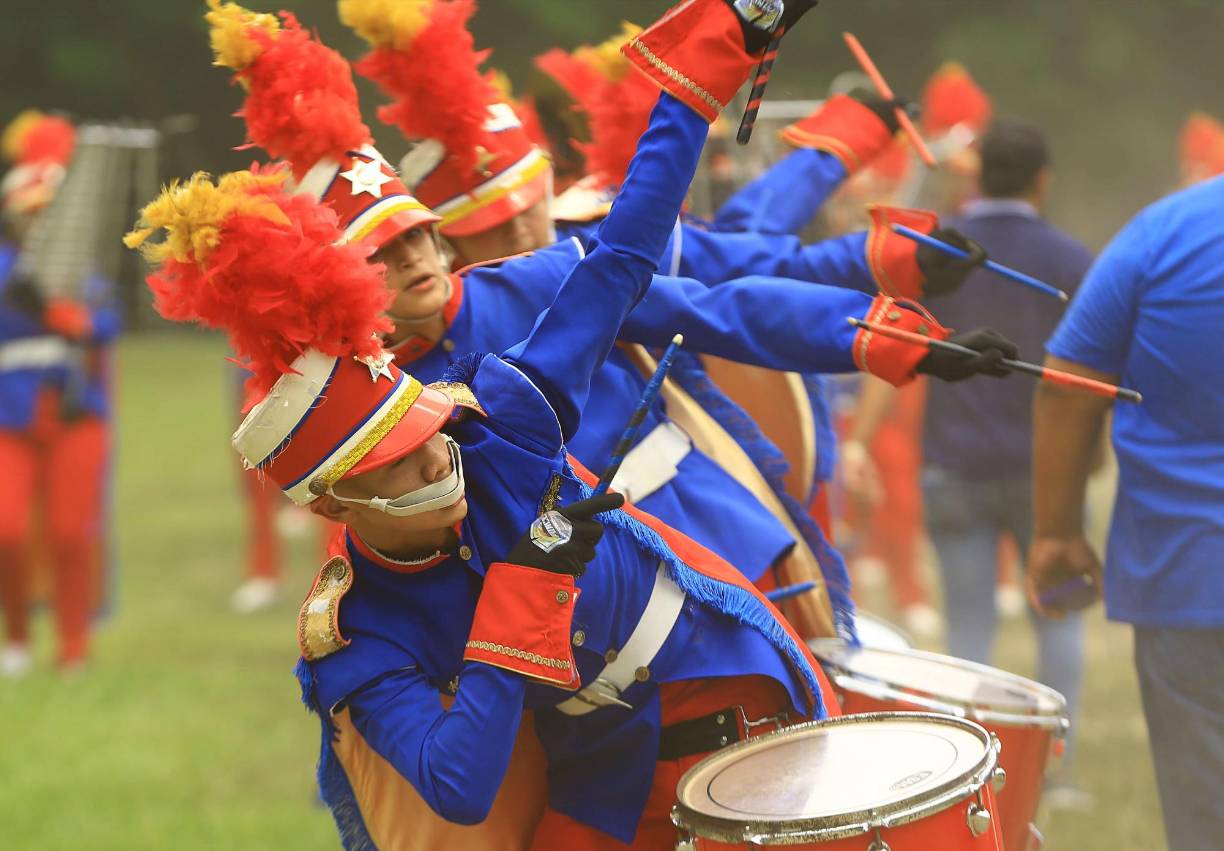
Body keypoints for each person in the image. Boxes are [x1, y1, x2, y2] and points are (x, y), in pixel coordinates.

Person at [135, 4, 1018, 848]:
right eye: (385, 254)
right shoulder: (361, 536)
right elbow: (454, 761)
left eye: (418, 239)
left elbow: (687, 273)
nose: (437, 449)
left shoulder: (504, 383)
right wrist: (525, 588)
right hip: (588, 730)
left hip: (706, 588)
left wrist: (870, 321)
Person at [1030, 172, 1224, 851]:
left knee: (1207, 816)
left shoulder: (1163, 232)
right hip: (1183, 587)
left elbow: (1067, 387)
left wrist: (1056, 533)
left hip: (1189, 582)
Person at [920, 120, 1093, 793]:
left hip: (952, 463)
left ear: (976, 173)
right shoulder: (1071, 260)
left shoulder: (938, 253)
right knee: (1062, 614)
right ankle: (1057, 776)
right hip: (1048, 472)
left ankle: (974, 777)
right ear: (1042, 180)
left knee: (967, 625)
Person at [0, 111, 120, 675]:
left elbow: (105, 322)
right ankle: (18, 636)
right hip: (11, 415)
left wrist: (68, 317)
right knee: (8, 531)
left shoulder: (77, 267)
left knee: (73, 532)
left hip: (74, 412)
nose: (38, 223)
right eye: (30, 214)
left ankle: (74, 645)